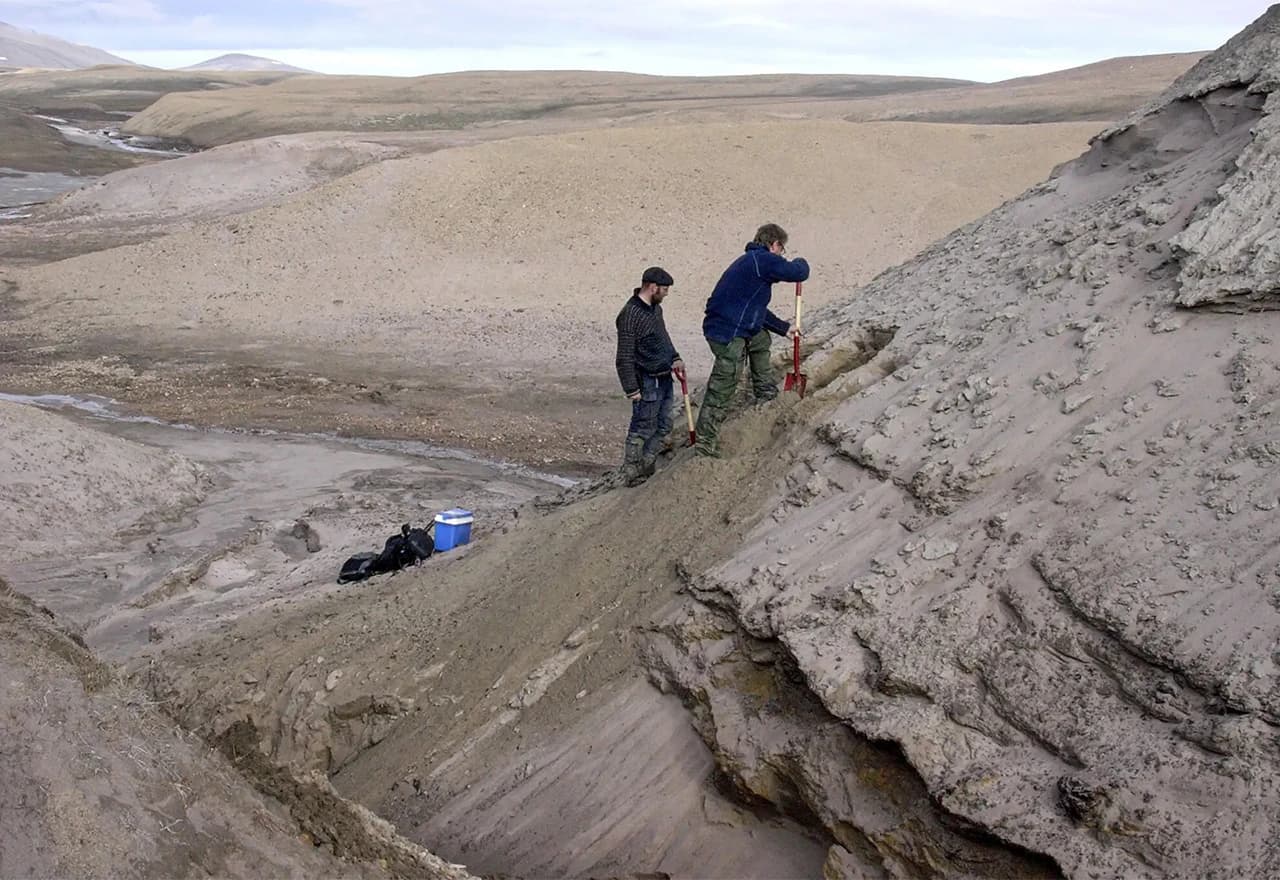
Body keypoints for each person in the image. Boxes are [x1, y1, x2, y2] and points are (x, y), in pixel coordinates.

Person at [694, 223, 810, 457]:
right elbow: (798, 272)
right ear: (774, 244)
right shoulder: (761, 259)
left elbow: (755, 310)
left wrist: (784, 328)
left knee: (760, 340)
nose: (781, 254)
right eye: (782, 249)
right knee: (725, 382)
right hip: (726, 332)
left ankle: (765, 392)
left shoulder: (751, 264)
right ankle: (705, 443)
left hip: (735, 324)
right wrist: (801, 261)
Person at [615, 266, 685, 486]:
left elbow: (663, 337)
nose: (666, 294)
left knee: (664, 425)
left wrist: (675, 358)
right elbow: (624, 355)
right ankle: (631, 473)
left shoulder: (656, 309)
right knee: (642, 428)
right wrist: (631, 389)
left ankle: (647, 466)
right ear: (653, 287)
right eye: (664, 289)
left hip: (664, 376)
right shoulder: (629, 315)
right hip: (646, 380)